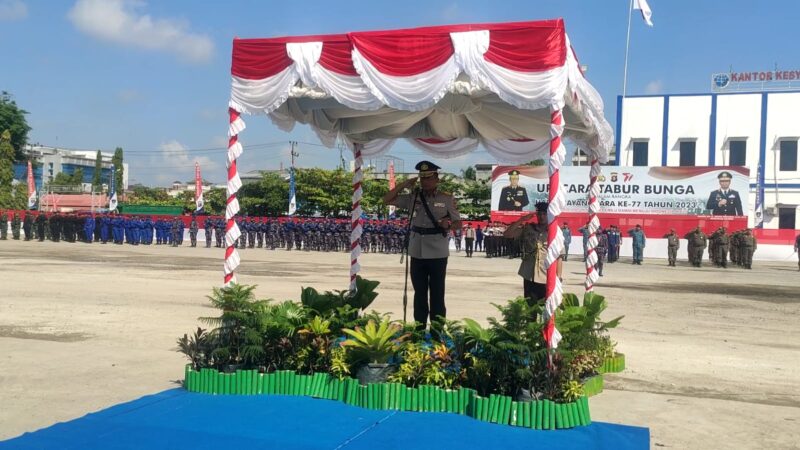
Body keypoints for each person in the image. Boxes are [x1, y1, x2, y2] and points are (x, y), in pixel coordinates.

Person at [383, 161, 461, 330]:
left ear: (436, 179)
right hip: (417, 250)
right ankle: (419, 329)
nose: (425, 181)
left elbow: (458, 223)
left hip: (438, 252)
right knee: (419, 293)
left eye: (429, 178)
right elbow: (386, 199)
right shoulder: (413, 197)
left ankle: (437, 330)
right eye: (422, 178)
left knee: (437, 294)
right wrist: (404, 184)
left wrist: (447, 225)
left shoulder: (446, 198)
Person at [503, 201, 561, 309]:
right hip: (529, 274)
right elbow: (507, 234)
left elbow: (559, 256)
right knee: (530, 308)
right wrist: (521, 220)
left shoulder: (554, 232)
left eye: (544, 214)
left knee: (547, 307)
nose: (542, 217)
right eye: (539, 214)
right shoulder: (528, 229)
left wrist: (559, 277)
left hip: (546, 275)